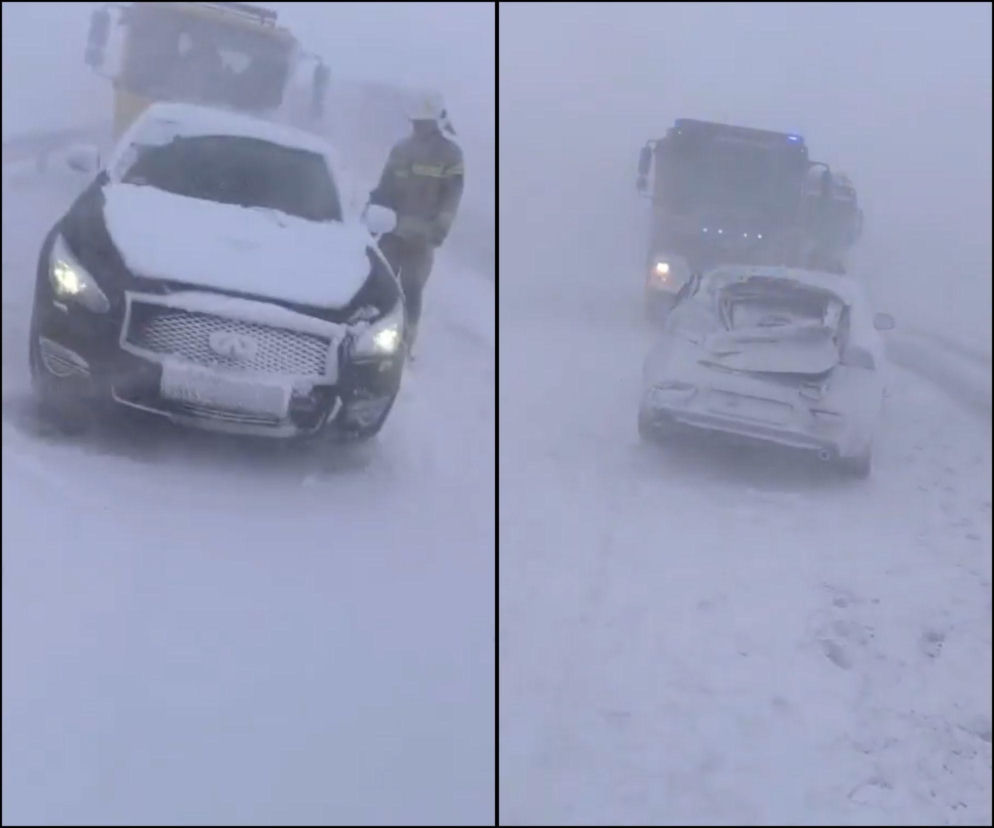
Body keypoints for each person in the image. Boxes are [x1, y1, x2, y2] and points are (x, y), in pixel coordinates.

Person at [368, 93, 464, 358]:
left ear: (437, 122)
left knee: (412, 289)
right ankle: (372, 338)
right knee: (381, 285)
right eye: (416, 121)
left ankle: (406, 343)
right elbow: (384, 188)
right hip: (392, 232)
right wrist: (371, 211)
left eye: (424, 122)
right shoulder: (400, 150)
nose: (419, 126)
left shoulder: (451, 155)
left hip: (422, 239)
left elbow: (451, 197)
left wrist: (439, 228)